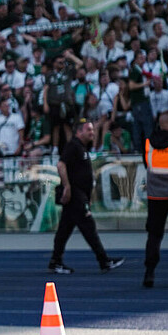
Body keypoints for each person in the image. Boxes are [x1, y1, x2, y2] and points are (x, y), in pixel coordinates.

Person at [49, 118, 124, 275]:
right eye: (89, 130)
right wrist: (67, 187)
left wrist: (87, 195)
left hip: (80, 195)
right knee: (88, 226)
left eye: (93, 129)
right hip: (75, 194)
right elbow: (61, 165)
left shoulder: (81, 148)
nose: (92, 133)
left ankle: (55, 261)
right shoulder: (73, 146)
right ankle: (103, 260)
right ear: (79, 131)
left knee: (64, 230)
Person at [144, 112, 168, 288]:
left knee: (154, 236)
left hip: (156, 196)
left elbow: (147, 164)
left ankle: (149, 273)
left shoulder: (148, 143)